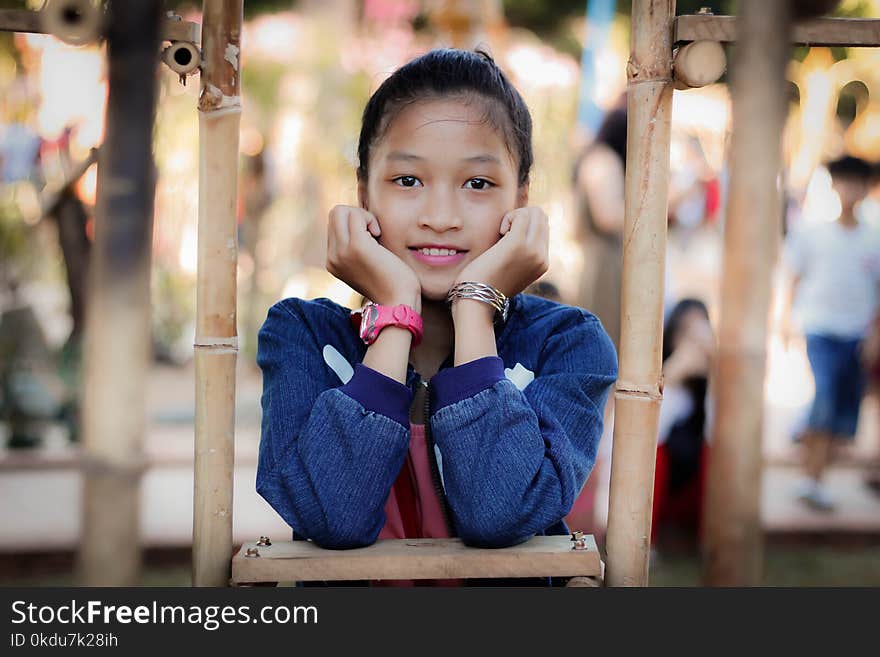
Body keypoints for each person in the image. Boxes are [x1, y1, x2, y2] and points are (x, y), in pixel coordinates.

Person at [254, 49, 618, 584]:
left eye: (477, 184)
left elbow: (501, 513)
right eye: (407, 181)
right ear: (363, 194)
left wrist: (475, 306)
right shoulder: (302, 335)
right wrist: (394, 315)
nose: (440, 218)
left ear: (520, 202)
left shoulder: (567, 344)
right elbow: (332, 516)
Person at [782, 155, 880, 512]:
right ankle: (810, 476)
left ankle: (812, 459)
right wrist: (785, 320)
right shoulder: (814, 232)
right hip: (820, 328)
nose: (850, 189)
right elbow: (794, 277)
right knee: (824, 398)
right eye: (843, 181)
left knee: (841, 412)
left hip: (856, 333)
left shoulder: (874, 237)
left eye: (857, 182)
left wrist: (874, 335)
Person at [652, 298, 714, 551]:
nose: (693, 343)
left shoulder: (715, 378)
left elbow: (718, 434)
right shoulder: (660, 374)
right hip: (665, 490)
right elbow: (648, 437)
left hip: (697, 490)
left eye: (699, 332)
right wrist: (673, 374)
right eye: (684, 332)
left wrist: (715, 370)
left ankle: (706, 539)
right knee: (656, 455)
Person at [572, 97, 626, 351]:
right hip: (603, 263)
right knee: (602, 340)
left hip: (605, 260)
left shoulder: (598, 158)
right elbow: (607, 216)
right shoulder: (603, 160)